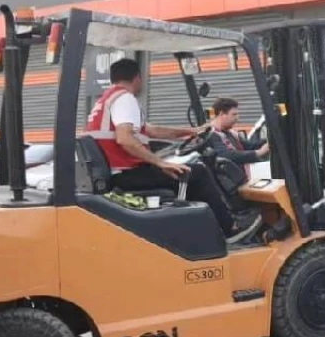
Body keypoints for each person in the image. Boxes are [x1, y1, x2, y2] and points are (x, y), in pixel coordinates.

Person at [85, 58, 258, 243]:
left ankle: (204, 232)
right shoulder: (125, 99)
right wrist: (161, 163)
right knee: (197, 172)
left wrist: (190, 132)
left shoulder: (107, 99)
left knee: (188, 173)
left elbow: (151, 130)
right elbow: (125, 139)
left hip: (118, 172)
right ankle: (230, 229)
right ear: (137, 78)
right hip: (127, 175)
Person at [205, 97, 270, 166]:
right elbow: (227, 155)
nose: (237, 118)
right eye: (234, 114)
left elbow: (249, 146)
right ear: (222, 114)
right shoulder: (210, 134)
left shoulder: (232, 133)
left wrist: (269, 140)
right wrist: (259, 152)